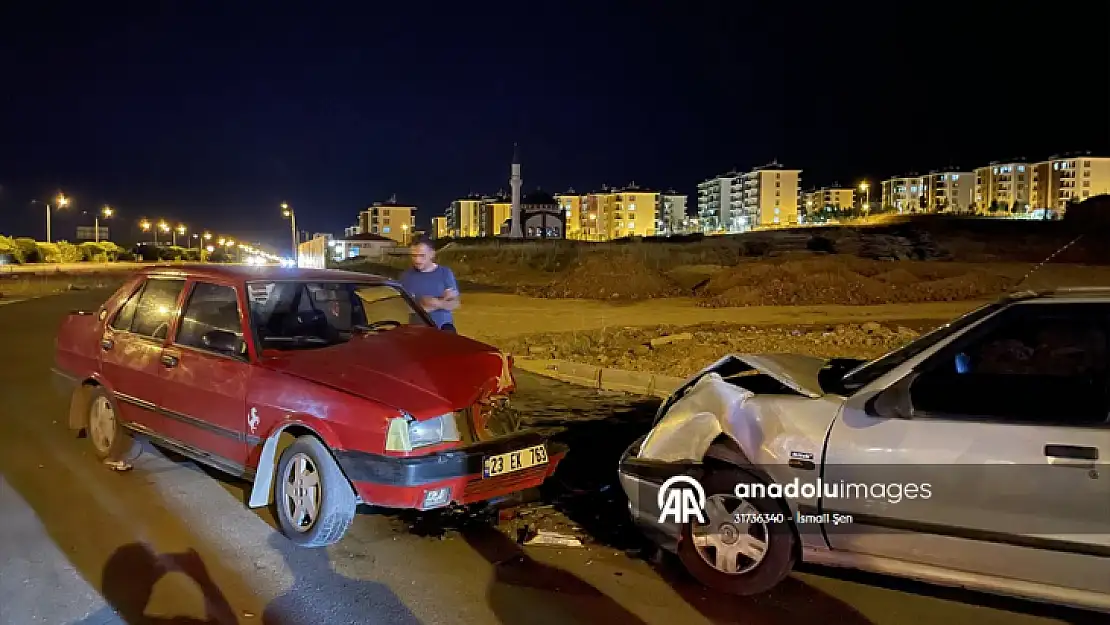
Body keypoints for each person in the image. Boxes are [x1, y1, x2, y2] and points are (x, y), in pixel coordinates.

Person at [400, 238, 460, 332]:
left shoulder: (445, 273)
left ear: (432, 254)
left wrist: (436, 303)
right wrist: (429, 305)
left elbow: (455, 303)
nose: (417, 260)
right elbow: (403, 307)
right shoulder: (406, 276)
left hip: (443, 330)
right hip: (417, 332)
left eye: (422, 256)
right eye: (414, 256)